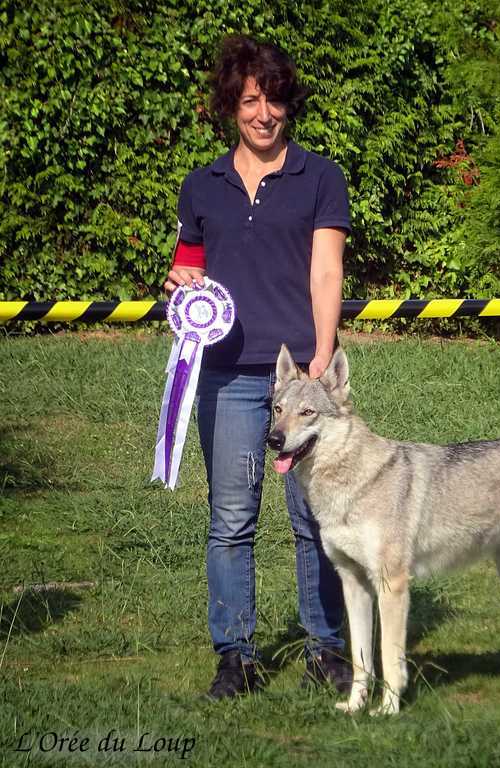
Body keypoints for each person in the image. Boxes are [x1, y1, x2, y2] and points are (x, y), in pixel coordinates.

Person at [163, 36, 352, 699]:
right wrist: (179, 284)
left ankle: (327, 649)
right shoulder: (201, 186)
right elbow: (189, 265)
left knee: (316, 519)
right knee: (231, 519)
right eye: (250, 100)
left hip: (302, 382)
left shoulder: (321, 177)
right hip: (227, 379)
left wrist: (321, 357)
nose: (264, 113)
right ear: (230, 106)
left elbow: (326, 268)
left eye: (273, 99)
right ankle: (235, 657)